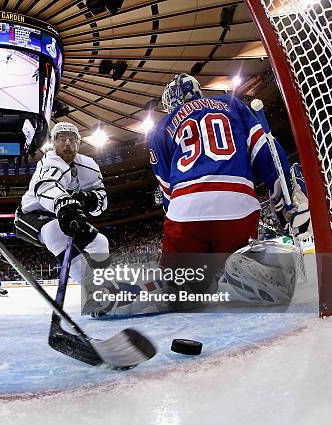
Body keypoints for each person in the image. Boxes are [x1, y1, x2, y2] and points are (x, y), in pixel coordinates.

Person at [147, 73, 311, 301]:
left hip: (186, 211)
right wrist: (281, 185)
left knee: (183, 287)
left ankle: (182, 283)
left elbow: (167, 193)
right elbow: (264, 149)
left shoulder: (159, 128)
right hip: (238, 204)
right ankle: (245, 266)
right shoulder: (231, 103)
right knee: (236, 252)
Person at [15, 122, 109, 289]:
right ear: (53, 143)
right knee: (54, 231)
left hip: (64, 213)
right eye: (61, 138)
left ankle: (104, 287)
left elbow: (101, 201)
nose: (67, 143)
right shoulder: (49, 161)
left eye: (72, 139)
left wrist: (87, 200)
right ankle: (93, 289)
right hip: (30, 215)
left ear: (78, 144)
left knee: (99, 242)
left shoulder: (89, 166)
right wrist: (63, 203)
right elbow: (46, 186)